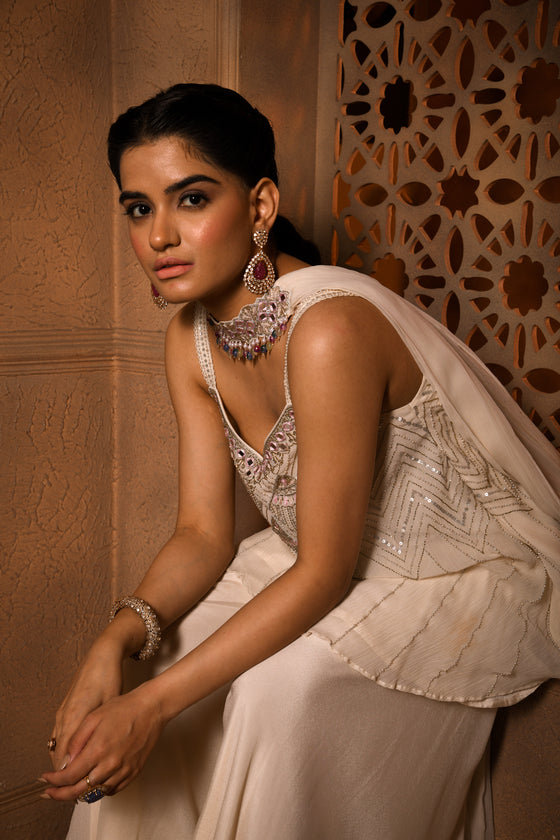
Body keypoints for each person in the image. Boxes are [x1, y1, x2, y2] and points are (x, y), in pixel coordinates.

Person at [41, 83, 560, 839]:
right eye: (139, 208)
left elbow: (323, 572)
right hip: (322, 556)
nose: (159, 236)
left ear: (260, 206)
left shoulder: (327, 330)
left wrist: (150, 709)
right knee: (155, 658)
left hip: (455, 575)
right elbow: (202, 533)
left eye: (191, 199)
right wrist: (113, 642)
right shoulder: (188, 340)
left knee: (272, 693)